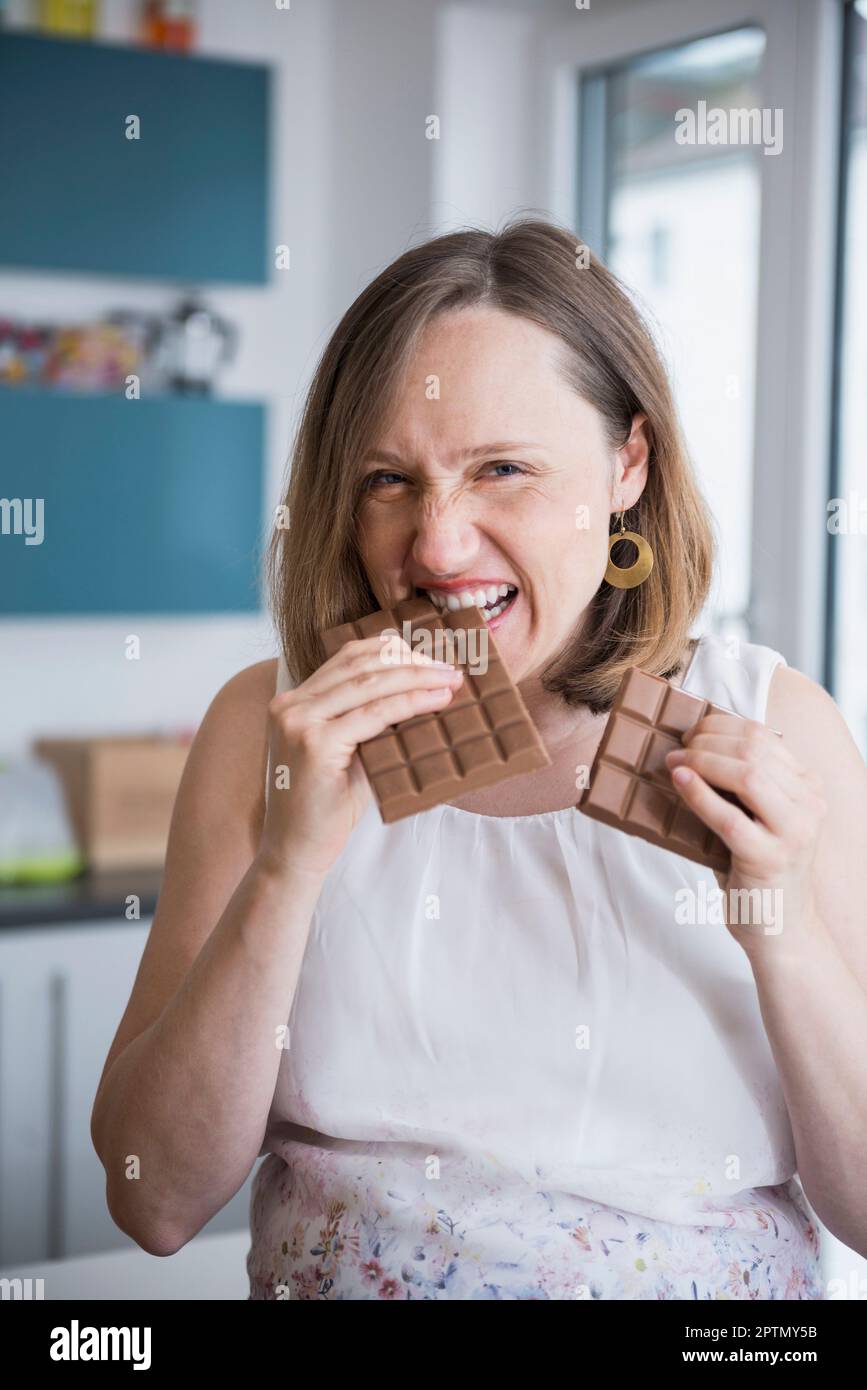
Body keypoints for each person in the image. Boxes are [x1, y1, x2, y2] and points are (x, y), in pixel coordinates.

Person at [91, 216, 867, 1300]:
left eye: (503, 469)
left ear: (628, 463)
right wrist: (288, 868)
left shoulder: (774, 728)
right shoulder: (269, 728)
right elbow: (153, 1199)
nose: (437, 546)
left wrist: (779, 927)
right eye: (388, 480)